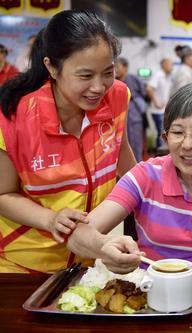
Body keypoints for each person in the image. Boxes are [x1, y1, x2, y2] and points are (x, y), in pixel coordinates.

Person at [67, 80, 192, 277]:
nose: (187, 144)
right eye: (177, 132)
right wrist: (103, 247)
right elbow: (78, 235)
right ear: (166, 135)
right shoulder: (145, 175)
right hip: (150, 292)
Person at [0, 10, 136, 274]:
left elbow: (122, 152)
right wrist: (51, 219)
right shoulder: (12, 117)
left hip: (83, 264)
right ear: (52, 67)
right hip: (20, 267)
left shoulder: (118, 95)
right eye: (85, 76)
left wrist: (150, 193)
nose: (99, 87)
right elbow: (3, 194)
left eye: (108, 72)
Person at [115, 57, 147, 162]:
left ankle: (137, 166)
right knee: (122, 142)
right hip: (120, 114)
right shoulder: (115, 81)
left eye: (118, 67)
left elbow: (143, 92)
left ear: (125, 67)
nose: (116, 70)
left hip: (134, 113)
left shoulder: (133, 78)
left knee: (136, 142)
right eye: (114, 67)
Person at [146, 58, 173, 149]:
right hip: (157, 110)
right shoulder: (158, 75)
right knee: (162, 133)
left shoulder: (167, 76)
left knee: (163, 132)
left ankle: (160, 154)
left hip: (163, 110)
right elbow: (149, 88)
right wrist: (156, 102)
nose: (172, 66)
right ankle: (160, 156)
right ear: (164, 64)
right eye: (170, 64)